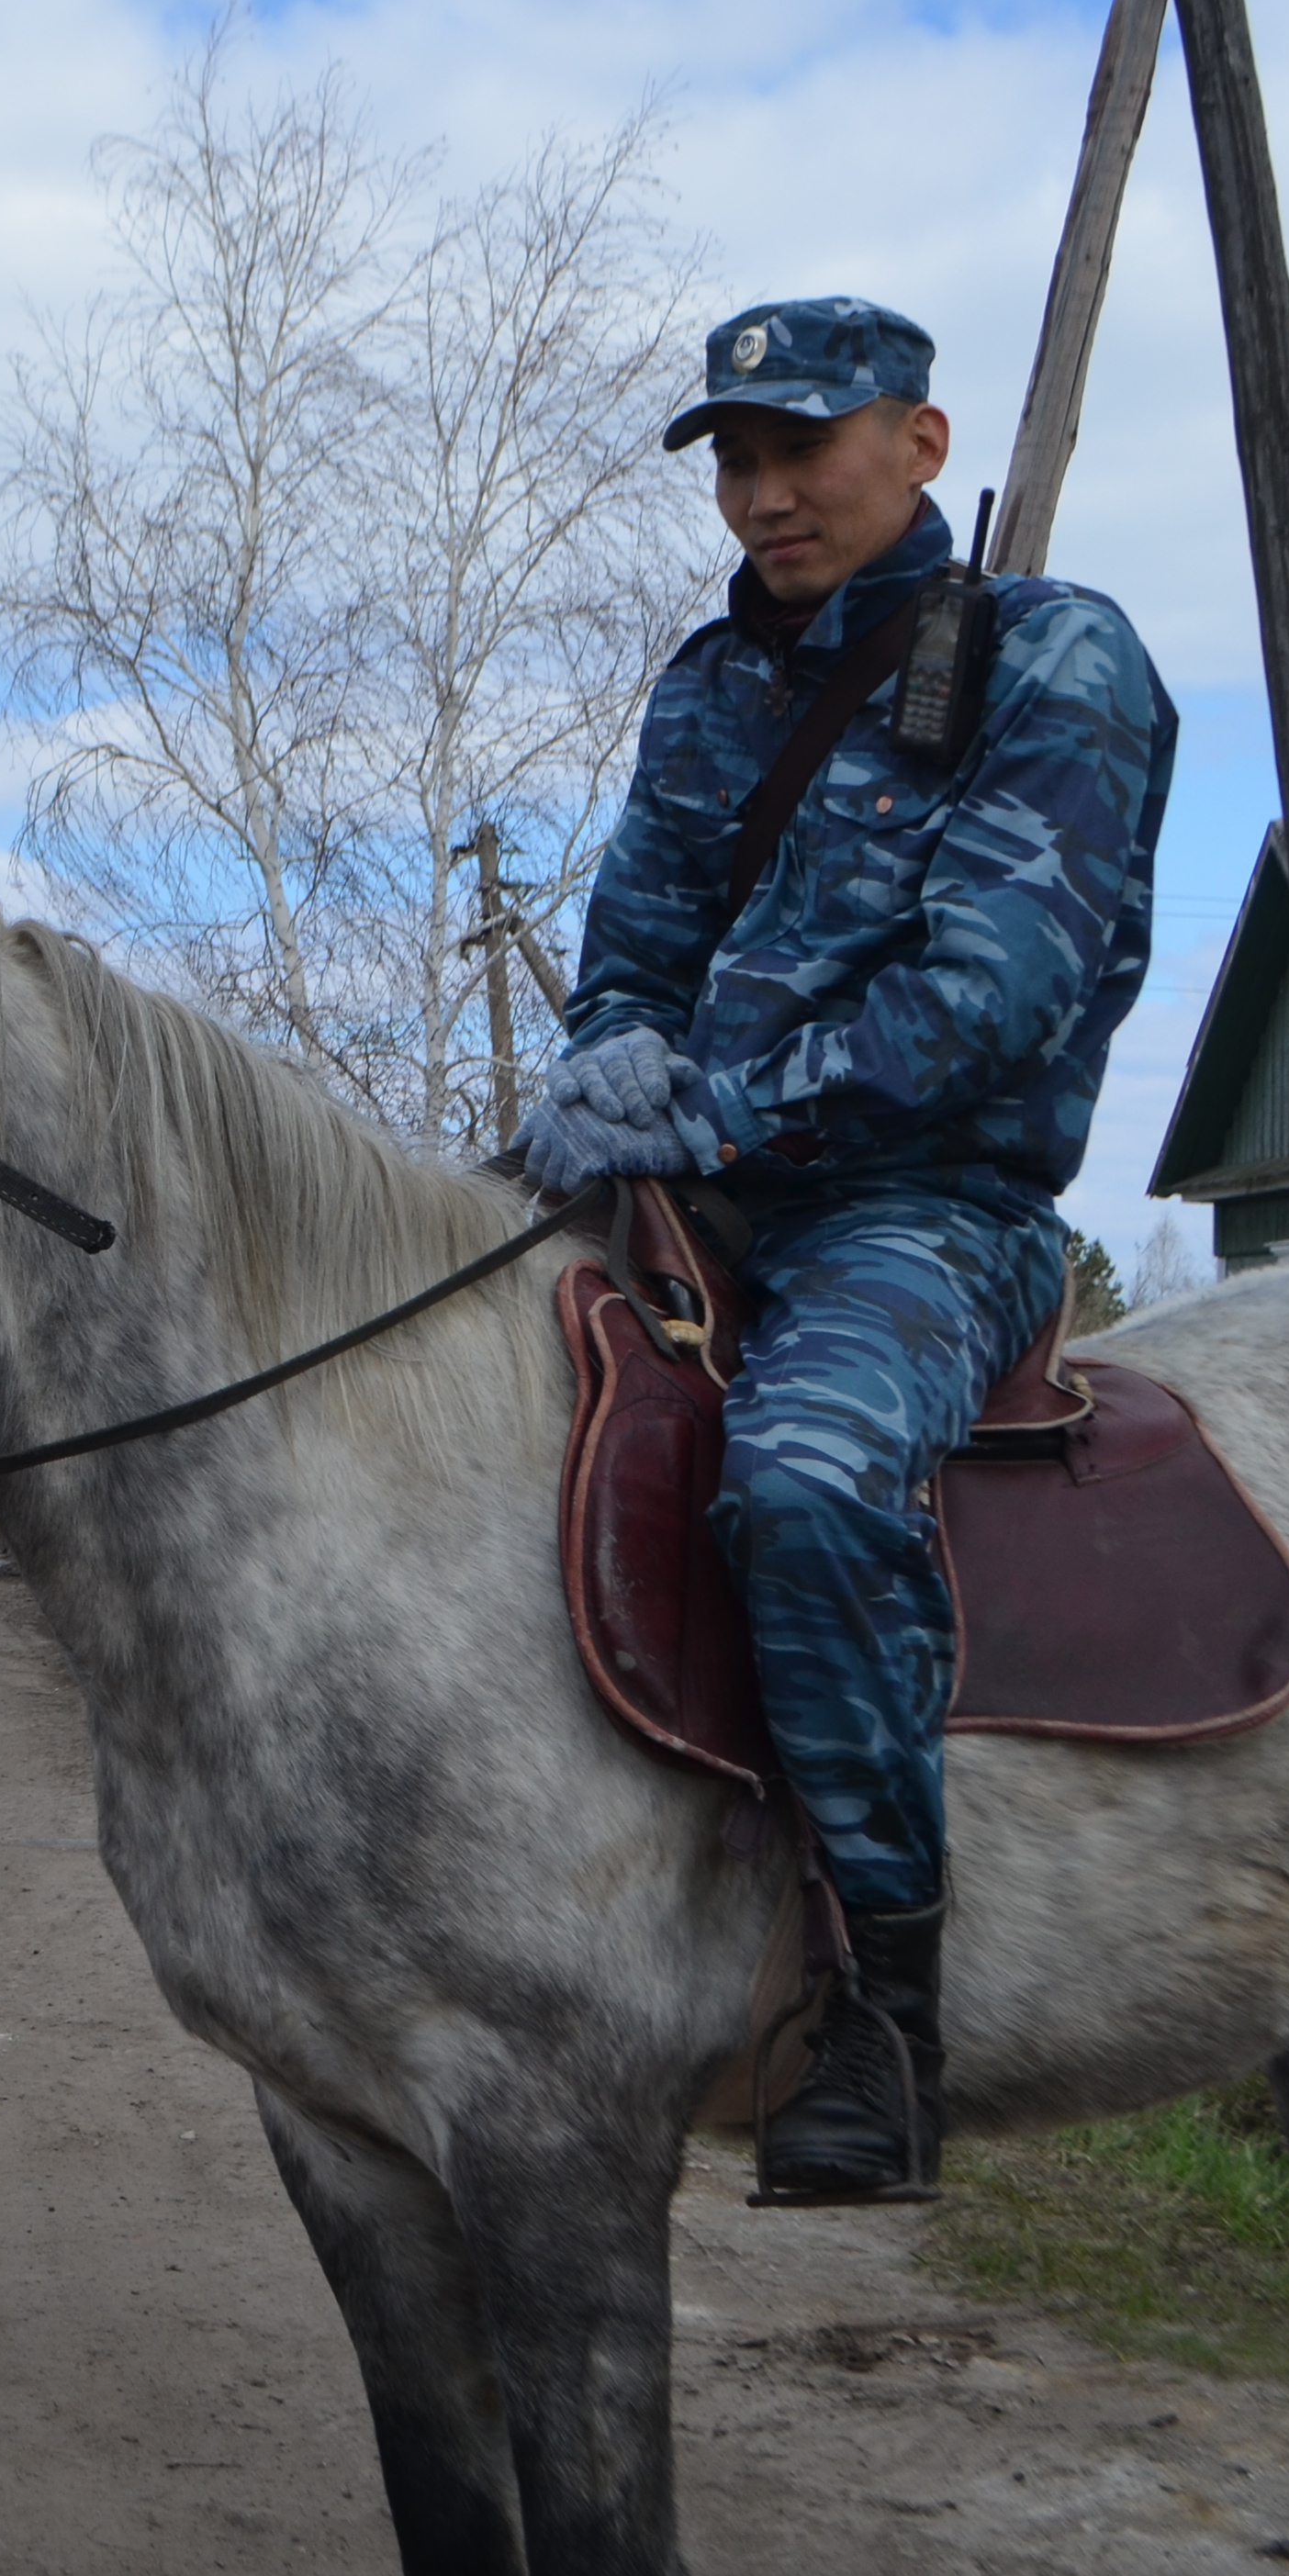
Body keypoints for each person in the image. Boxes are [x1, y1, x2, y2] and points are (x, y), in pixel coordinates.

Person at [521, 297, 1177, 2204]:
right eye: (732, 458)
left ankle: (884, 2012)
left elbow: (991, 996)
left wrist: (710, 1113)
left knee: (803, 1478)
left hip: (923, 1206)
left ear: (918, 439)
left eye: (799, 447)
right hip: (681, 1195)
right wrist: (606, 1065)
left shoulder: (1055, 660)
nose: (760, 492)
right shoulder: (704, 684)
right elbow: (629, 956)